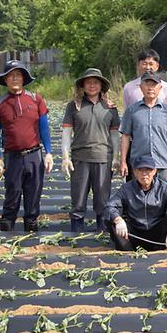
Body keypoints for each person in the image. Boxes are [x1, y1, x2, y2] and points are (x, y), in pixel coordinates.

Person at [0, 60, 54, 232]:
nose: (14, 78)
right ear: (5, 80)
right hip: (12, 156)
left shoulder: (36, 99)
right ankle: (7, 225)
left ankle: (31, 226)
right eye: (11, 76)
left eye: (18, 75)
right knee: (13, 192)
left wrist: (49, 153)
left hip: (34, 154)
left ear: (24, 78)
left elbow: (44, 128)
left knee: (34, 193)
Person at [61, 68, 120, 232]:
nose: (92, 85)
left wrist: (116, 157)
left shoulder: (110, 107)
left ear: (101, 86)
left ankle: (102, 231)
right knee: (78, 199)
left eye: (95, 82)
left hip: (103, 158)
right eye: (88, 82)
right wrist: (65, 157)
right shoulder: (74, 106)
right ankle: (76, 232)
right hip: (80, 159)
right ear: (83, 85)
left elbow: (115, 135)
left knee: (102, 199)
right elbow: (66, 133)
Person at [103, 155, 167, 251]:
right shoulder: (126, 188)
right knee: (111, 219)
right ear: (134, 172)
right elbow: (110, 205)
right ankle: (127, 250)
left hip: (157, 232)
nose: (144, 174)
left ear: (154, 171)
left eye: (148, 170)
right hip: (134, 233)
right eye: (140, 170)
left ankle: (159, 248)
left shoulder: (165, 188)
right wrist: (118, 220)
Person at [119, 71, 167, 182]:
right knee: (137, 192)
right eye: (147, 84)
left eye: (154, 85)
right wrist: (123, 161)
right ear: (141, 87)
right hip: (138, 163)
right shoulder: (132, 110)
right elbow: (125, 136)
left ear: (160, 87)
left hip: (161, 163)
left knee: (162, 192)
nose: (150, 88)